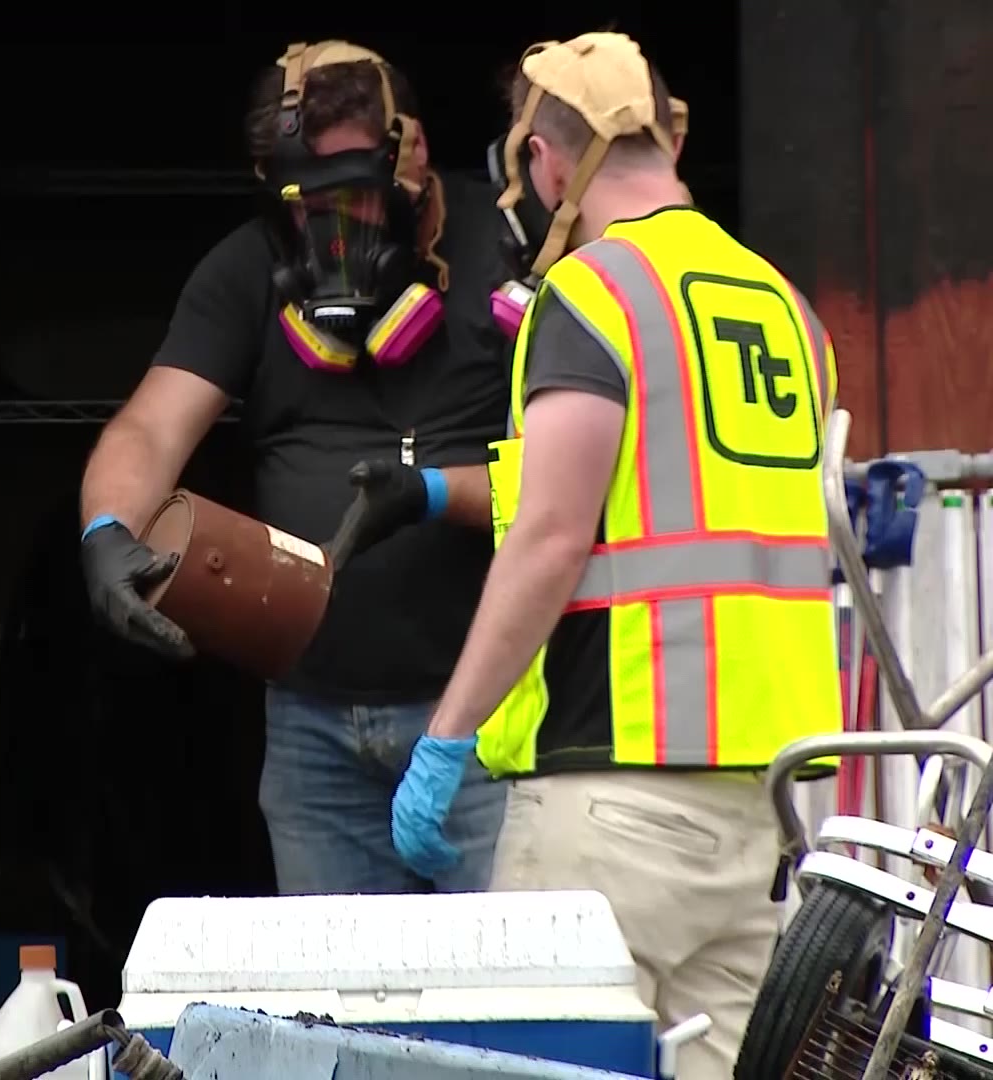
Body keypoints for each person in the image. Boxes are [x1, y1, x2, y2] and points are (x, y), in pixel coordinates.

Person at [387, 33, 840, 1078]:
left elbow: (552, 538)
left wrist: (446, 739)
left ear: (546, 160)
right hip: (760, 812)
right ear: (669, 138)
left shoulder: (592, 297)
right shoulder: (787, 308)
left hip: (611, 802)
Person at [77, 41, 509, 895]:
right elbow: (151, 428)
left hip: (485, 725)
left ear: (410, 151)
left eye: (354, 194)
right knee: (336, 1014)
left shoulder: (509, 247)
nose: (331, 230)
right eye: (306, 203)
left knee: (511, 1009)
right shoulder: (247, 269)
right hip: (314, 734)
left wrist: (434, 495)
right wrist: (106, 534)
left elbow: (578, 483)